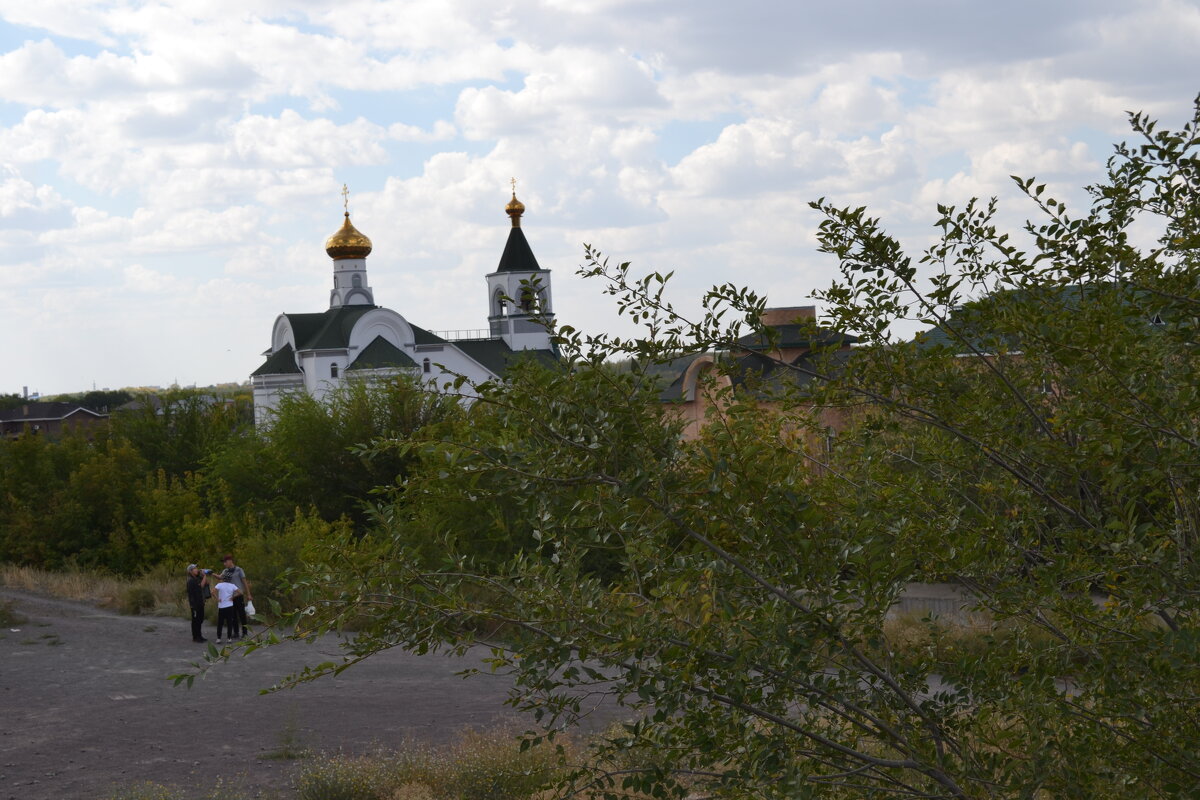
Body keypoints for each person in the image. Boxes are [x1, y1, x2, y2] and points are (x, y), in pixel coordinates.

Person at [220, 554, 253, 637]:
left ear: (230, 561)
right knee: (232, 615)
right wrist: (211, 573)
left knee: (242, 615)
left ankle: (245, 633)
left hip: (238, 595)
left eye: (225, 562)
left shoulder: (239, 570)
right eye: (224, 562)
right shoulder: (225, 571)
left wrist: (249, 594)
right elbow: (220, 577)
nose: (224, 564)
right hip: (230, 597)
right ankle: (236, 632)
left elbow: (244, 582)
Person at [212, 572, 241, 644]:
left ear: (223, 578)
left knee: (220, 623)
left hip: (221, 606)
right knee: (229, 623)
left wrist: (217, 598)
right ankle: (229, 638)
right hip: (230, 606)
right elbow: (240, 593)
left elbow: (212, 592)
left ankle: (218, 638)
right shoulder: (232, 585)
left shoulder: (219, 585)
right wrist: (233, 597)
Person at [185, 564, 209, 643]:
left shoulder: (197, 578)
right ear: (190, 571)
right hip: (195, 604)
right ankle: (196, 637)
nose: (197, 569)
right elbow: (201, 586)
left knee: (200, 619)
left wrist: (203, 576)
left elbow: (206, 583)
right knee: (196, 620)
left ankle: (199, 635)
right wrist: (205, 576)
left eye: (196, 568)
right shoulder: (191, 580)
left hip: (200, 603)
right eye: (194, 568)